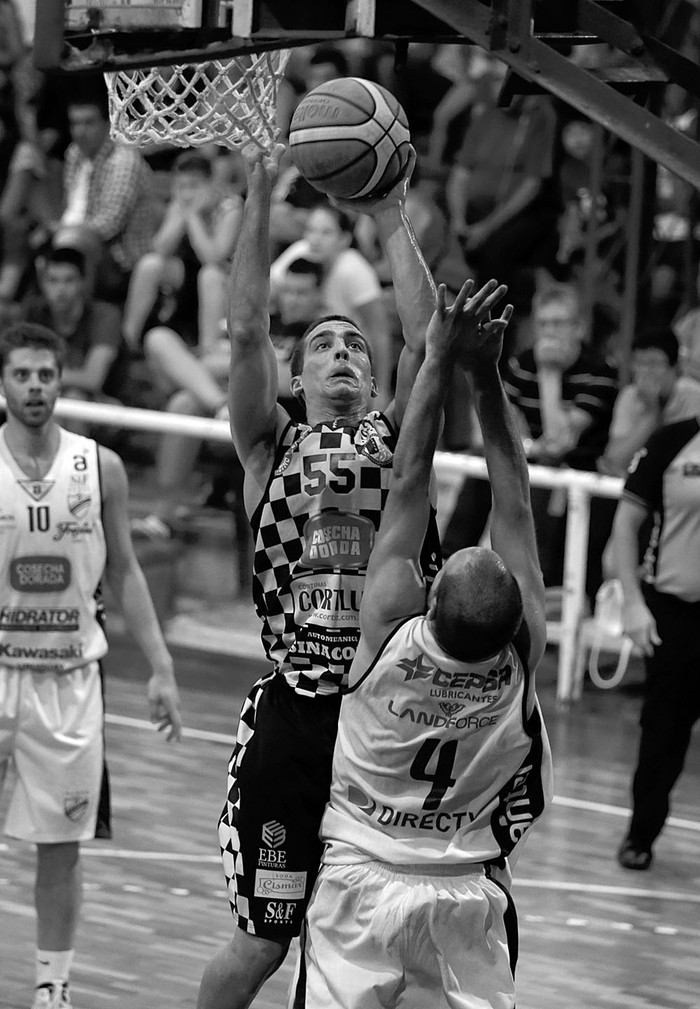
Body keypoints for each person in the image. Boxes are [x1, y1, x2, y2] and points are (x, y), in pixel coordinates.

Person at [196, 141, 504, 1009]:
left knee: (372, 956)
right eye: (322, 346)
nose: (339, 355)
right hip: (297, 713)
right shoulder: (270, 444)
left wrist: (388, 214)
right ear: (296, 375)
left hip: (386, 716)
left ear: (374, 380)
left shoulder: (396, 439)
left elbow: (426, 336)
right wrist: (258, 193)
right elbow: (246, 323)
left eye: (353, 350)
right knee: (263, 939)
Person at [299, 281, 553, 1009]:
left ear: (429, 594)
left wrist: (441, 355)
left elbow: (408, 476)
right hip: (464, 888)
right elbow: (516, 495)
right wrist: (488, 376)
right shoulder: (520, 657)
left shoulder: (385, 628)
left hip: (358, 871)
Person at [0, 322, 182, 1009]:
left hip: (71, 680)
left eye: (47, 374)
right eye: (22, 374)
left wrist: (161, 667)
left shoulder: (98, 466)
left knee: (61, 848)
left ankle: (53, 986)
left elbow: (128, 573)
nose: (36, 387)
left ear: (63, 378)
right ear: (4, 382)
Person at [442, 283, 618, 607]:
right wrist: (525, 441)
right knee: (483, 466)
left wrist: (549, 375)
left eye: (559, 324)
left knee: (539, 479)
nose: (549, 334)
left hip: (579, 477)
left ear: (578, 327)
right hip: (528, 460)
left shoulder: (600, 372)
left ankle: (531, 591)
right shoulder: (522, 363)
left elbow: (558, 442)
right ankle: (446, 566)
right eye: (543, 324)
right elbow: (491, 420)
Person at [611, 414, 700, 871]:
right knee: (663, 736)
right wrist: (632, 602)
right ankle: (640, 835)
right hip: (677, 615)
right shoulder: (672, 441)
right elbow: (626, 524)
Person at [270, 200, 394, 403]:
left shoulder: (354, 270)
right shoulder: (301, 250)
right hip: (303, 348)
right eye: (310, 230)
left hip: (348, 359)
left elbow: (380, 333)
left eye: (326, 233)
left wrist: (380, 389)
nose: (315, 239)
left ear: (344, 239)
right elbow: (267, 294)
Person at [122, 151, 242, 352]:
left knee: (209, 275)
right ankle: (127, 341)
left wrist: (193, 217)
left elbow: (213, 258)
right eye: (181, 186)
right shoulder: (180, 204)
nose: (187, 194)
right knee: (150, 264)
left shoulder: (231, 207)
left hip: (226, 280)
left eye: (194, 186)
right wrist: (179, 217)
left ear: (211, 183)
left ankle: (208, 348)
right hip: (187, 273)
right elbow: (159, 248)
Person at [21, 245, 128, 416]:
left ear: (83, 282)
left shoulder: (105, 316)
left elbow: (92, 379)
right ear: (42, 283)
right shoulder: (32, 314)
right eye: (53, 281)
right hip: (45, 395)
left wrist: (33, 376)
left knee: (72, 398)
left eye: (69, 280)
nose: (60, 290)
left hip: (105, 405)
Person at [599, 328, 700, 477]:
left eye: (653, 364)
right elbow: (614, 460)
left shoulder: (693, 397)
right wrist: (650, 414)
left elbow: (683, 465)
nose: (645, 372)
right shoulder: (630, 395)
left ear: (675, 367)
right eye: (640, 362)